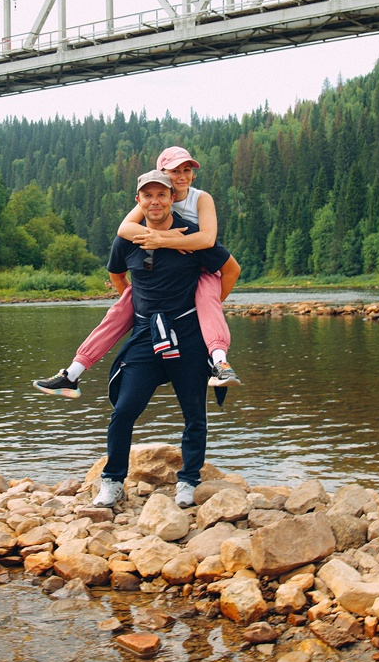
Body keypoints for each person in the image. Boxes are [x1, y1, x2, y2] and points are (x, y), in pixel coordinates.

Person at [33, 145, 239, 397]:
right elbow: (124, 229)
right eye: (175, 171)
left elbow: (207, 239)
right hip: (156, 278)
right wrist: (138, 299)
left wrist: (165, 240)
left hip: (201, 268)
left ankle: (220, 363)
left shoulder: (200, 198)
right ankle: (72, 374)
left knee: (207, 302)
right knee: (116, 315)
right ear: (162, 174)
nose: (182, 176)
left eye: (187, 170)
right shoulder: (154, 197)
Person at [90, 170, 241, 508]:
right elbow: (116, 273)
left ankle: (188, 481)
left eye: (161, 194)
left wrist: (211, 305)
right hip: (146, 335)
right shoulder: (127, 239)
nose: (155, 201)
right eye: (148, 195)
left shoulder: (191, 236)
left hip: (188, 335)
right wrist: (136, 302)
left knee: (194, 413)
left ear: (173, 198)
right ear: (138, 200)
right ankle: (112, 481)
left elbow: (231, 270)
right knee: (124, 409)